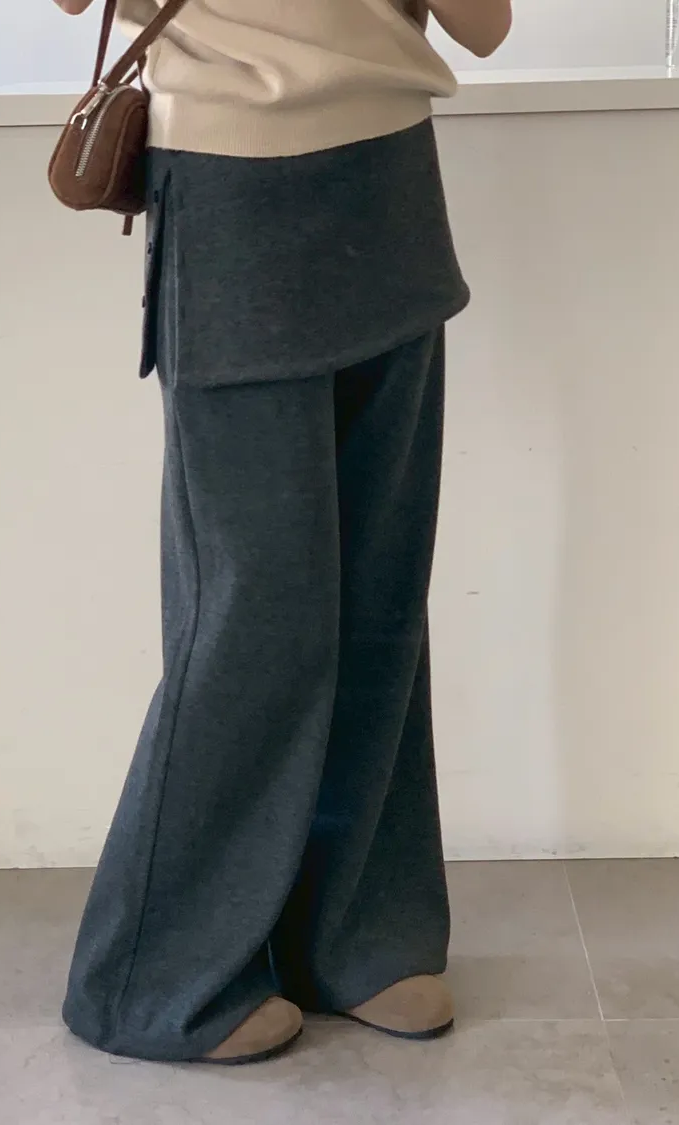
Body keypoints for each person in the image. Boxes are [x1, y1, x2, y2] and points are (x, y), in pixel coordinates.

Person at [54, 0, 512, 1065]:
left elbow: (485, 23)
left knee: (380, 595)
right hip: (228, 189)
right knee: (254, 608)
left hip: (391, 180)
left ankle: (357, 935)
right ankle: (151, 976)